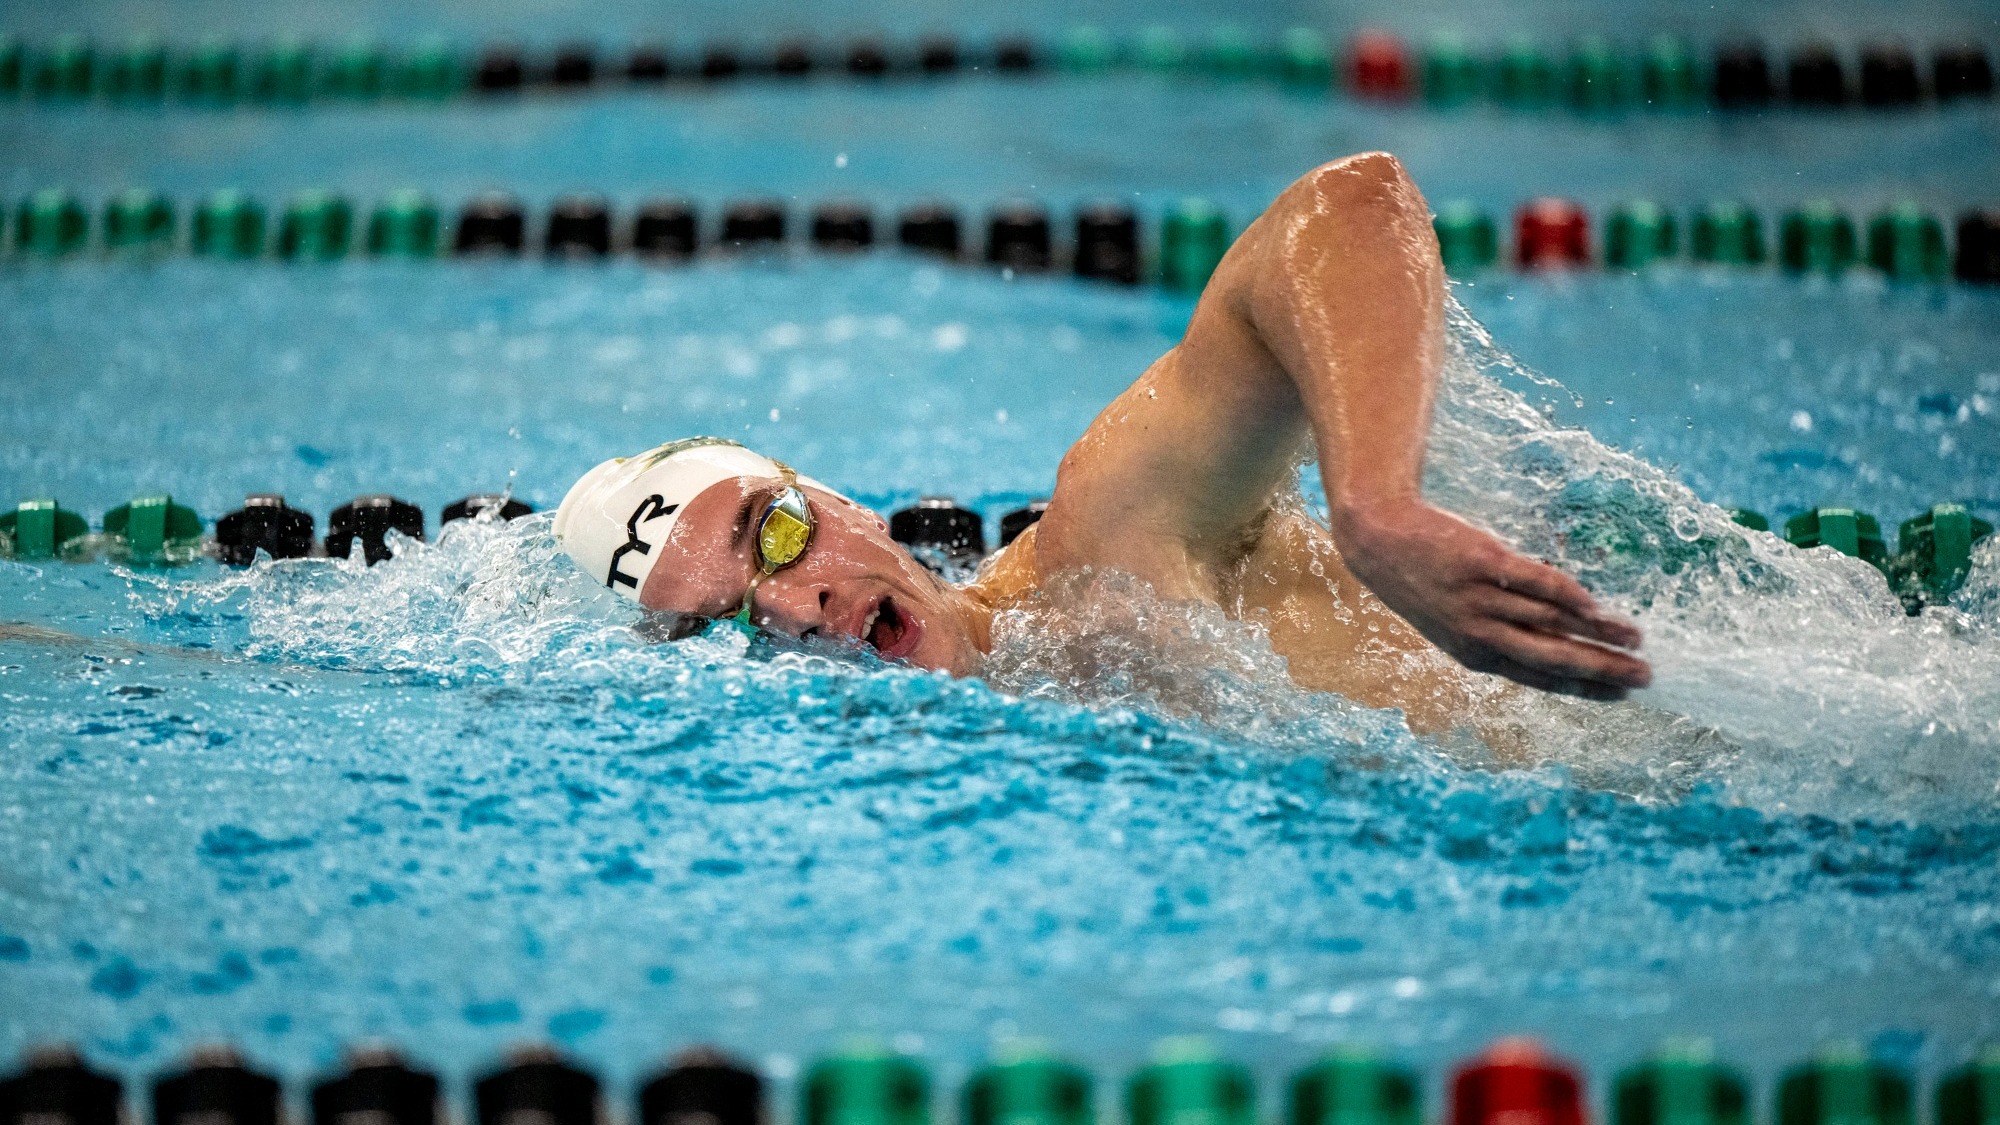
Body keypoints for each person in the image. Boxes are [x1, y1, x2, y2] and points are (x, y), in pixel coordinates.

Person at [553, 153, 1651, 736]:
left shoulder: (1107, 552)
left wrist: (1377, 509)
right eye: (729, 626)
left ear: (843, 506)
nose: (792, 612)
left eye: (778, 537)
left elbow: (1345, 202)